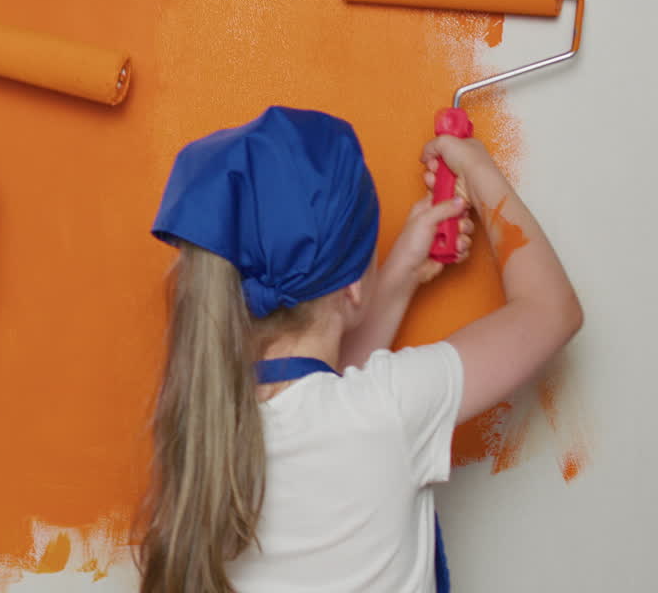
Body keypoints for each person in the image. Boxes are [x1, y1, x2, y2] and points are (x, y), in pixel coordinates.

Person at [138, 106, 582, 593]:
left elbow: (321, 397)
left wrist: (395, 279)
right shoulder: (391, 409)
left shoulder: (201, 431)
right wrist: (477, 171)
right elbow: (549, 310)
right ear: (352, 289)